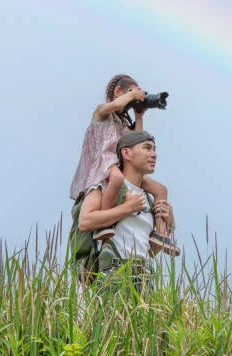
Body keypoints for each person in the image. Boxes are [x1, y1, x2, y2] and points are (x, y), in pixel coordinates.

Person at [70, 74, 179, 255]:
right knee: (117, 178)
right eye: (130, 91)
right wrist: (132, 95)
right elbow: (118, 105)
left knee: (161, 190)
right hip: (105, 163)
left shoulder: (124, 124)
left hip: (120, 165)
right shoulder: (102, 112)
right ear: (117, 92)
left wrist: (139, 114)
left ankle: (160, 234)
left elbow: (136, 141)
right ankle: (104, 227)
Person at [78, 130, 175, 293]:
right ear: (126, 153)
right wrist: (127, 208)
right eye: (147, 148)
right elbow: (85, 222)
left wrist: (169, 224)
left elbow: (152, 252)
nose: (154, 154)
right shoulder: (102, 187)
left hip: (143, 280)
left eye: (154, 149)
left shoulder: (149, 198)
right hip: (113, 276)